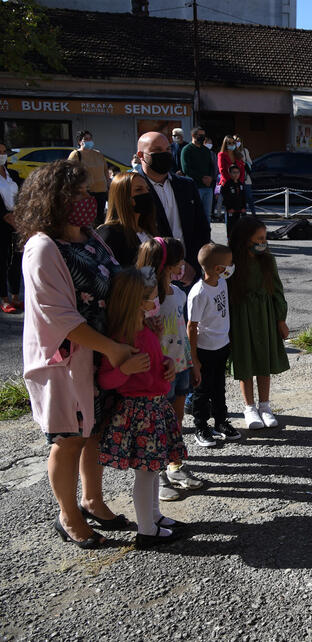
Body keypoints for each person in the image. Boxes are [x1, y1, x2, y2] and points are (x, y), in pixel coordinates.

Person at [18, 161, 147, 548]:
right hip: (65, 362)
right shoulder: (42, 247)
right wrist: (114, 349)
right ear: (51, 201)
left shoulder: (90, 236)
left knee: (94, 433)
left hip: (100, 356)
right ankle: (68, 514)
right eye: (74, 196)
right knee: (69, 439)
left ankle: (92, 500)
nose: (85, 201)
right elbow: (59, 317)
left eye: (85, 193)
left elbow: (117, 279)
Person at [96, 266, 187, 548]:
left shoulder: (146, 328)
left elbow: (157, 359)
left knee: (153, 467)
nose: (155, 301)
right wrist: (125, 368)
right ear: (135, 300)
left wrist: (167, 364)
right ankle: (146, 530)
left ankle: (155, 517)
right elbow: (106, 378)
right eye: (151, 297)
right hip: (139, 413)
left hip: (155, 408)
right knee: (146, 473)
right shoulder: (122, 338)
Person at [135, 237, 206, 501]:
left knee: (175, 422)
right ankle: (158, 477)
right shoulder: (145, 300)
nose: (182, 267)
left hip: (180, 365)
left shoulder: (179, 294)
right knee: (156, 426)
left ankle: (174, 466)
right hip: (156, 373)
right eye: (178, 262)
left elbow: (183, 331)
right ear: (164, 265)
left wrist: (193, 362)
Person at [228, 217, 290, 430]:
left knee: (264, 359)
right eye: (259, 238)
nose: (264, 242)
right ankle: (249, 407)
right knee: (245, 359)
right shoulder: (232, 262)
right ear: (245, 240)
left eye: (264, 238)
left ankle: (265, 405)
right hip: (241, 317)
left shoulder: (267, 260)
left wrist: (281, 319)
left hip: (265, 315)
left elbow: (277, 290)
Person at [136, 131, 211, 284]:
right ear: (141, 155)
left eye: (168, 150)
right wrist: (170, 267)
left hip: (189, 274)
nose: (164, 154)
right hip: (153, 278)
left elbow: (201, 228)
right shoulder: (133, 188)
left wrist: (193, 265)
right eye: (157, 151)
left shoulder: (186, 185)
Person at [187, 242, 236, 445]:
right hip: (204, 350)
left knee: (219, 386)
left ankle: (220, 421)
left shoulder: (222, 283)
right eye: (229, 263)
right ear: (218, 269)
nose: (232, 266)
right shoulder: (199, 293)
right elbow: (191, 327)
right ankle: (201, 425)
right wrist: (194, 359)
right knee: (202, 390)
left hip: (221, 345)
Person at [96, 172, 159, 267]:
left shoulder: (148, 231)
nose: (146, 193)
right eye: (139, 190)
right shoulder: (110, 233)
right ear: (123, 197)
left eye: (147, 189)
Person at [67, 131, 110, 225]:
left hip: (101, 191)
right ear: (79, 142)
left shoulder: (98, 154)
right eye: (85, 139)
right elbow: (71, 172)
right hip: (87, 192)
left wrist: (108, 183)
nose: (89, 141)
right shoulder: (75, 154)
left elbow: (105, 170)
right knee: (87, 218)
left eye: (90, 139)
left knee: (99, 218)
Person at [0, 142, 23, 313]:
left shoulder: (12, 174)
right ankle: (4, 299)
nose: (2, 155)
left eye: (3, 152)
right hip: (2, 223)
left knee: (16, 260)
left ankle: (15, 296)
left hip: (17, 221)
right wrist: (11, 220)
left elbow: (23, 196)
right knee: (2, 261)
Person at [180, 126, 215, 224]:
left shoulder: (206, 150)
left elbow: (211, 167)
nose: (203, 137)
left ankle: (206, 235)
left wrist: (210, 178)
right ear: (193, 135)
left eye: (204, 135)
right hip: (194, 186)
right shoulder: (186, 150)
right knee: (194, 213)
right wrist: (202, 178)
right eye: (201, 135)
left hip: (208, 187)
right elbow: (186, 169)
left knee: (207, 214)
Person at [220, 164, 247, 239]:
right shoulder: (227, 184)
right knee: (231, 226)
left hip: (239, 209)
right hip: (231, 210)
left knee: (240, 225)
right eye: (234, 172)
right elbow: (225, 197)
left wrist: (244, 207)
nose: (236, 174)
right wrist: (229, 208)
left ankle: (238, 240)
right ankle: (230, 240)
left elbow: (243, 197)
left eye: (237, 172)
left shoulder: (240, 184)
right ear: (230, 173)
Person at [233, 135, 256, 216]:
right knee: (239, 198)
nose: (237, 142)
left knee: (249, 197)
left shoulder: (245, 151)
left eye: (239, 141)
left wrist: (244, 162)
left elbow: (250, 162)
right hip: (235, 178)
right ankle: (242, 214)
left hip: (246, 178)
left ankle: (254, 214)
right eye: (236, 141)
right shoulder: (232, 151)